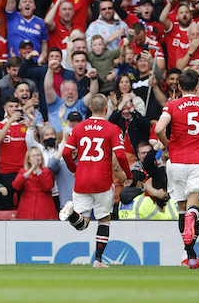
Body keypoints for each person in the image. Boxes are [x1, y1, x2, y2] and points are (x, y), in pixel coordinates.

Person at [153, 70, 199, 268]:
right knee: (195, 204)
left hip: (176, 161)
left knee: (181, 207)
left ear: (178, 87)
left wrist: (167, 144)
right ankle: (193, 217)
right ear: (197, 87)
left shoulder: (172, 105)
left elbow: (159, 129)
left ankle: (190, 255)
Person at [60, 93, 132, 268]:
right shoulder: (113, 128)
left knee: (82, 224)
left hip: (82, 180)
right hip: (102, 180)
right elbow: (121, 154)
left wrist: (74, 169)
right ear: (106, 109)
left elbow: (65, 153)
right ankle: (98, 260)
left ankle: (71, 213)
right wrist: (128, 175)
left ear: (90, 108)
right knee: (104, 219)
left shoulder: (78, 128)